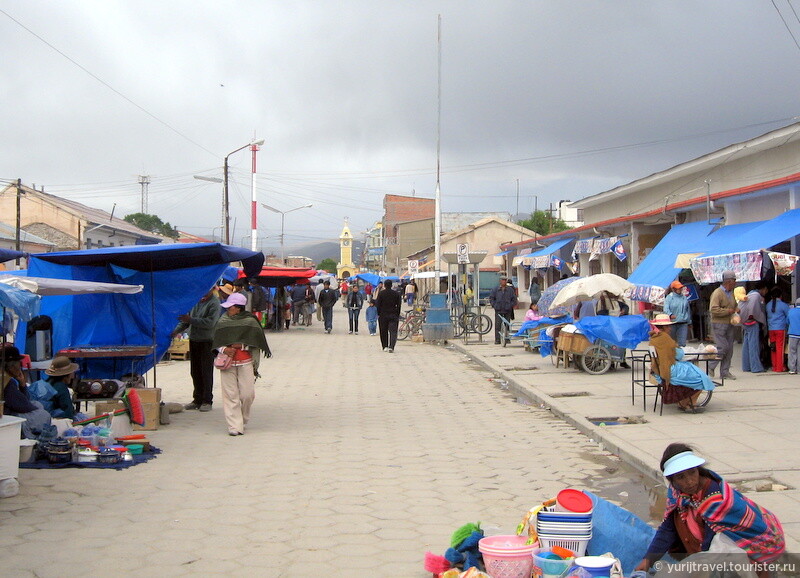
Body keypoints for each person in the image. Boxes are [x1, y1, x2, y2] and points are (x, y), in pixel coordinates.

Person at [636, 443, 784, 577]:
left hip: (754, 544)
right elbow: (668, 528)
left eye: (692, 472)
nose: (689, 481)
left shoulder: (714, 499)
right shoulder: (676, 492)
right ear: (672, 481)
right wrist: (648, 559)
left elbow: (710, 544)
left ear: (698, 471)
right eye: (681, 477)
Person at [212, 292, 271, 436]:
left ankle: (242, 419)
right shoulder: (222, 321)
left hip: (245, 362)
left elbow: (257, 342)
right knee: (230, 395)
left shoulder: (250, 322)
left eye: (230, 307)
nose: (227, 310)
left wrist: (241, 346)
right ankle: (234, 426)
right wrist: (224, 349)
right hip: (227, 363)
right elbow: (215, 340)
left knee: (247, 395)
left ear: (238, 308)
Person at [648, 314, 714, 412]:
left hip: (659, 370)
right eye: (668, 326)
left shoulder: (653, 338)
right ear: (664, 327)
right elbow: (678, 355)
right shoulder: (665, 338)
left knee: (691, 369)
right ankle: (689, 403)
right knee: (701, 378)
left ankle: (684, 402)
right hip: (669, 370)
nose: (670, 328)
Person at [171, 288, 221, 412]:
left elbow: (210, 323)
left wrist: (191, 320)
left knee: (206, 371)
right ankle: (197, 399)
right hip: (194, 340)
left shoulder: (214, 303)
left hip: (207, 341)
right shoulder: (196, 301)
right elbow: (185, 321)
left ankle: (207, 400)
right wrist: (176, 331)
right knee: (195, 371)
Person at [2, 346, 51, 439]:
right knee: (44, 414)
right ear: (11, 367)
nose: (20, 367)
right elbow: (24, 406)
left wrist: (22, 384)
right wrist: (23, 386)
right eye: (19, 364)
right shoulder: (8, 383)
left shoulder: (7, 380)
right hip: (8, 418)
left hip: (10, 412)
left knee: (38, 404)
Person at [708, 271, 738, 380]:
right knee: (722, 347)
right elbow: (713, 309)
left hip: (729, 323)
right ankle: (711, 366)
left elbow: (734, 306)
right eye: (734, 281)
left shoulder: (732, 293)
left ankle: (725, 372)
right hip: (719, 323)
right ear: (728, 281)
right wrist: (728, 311)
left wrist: (736, 309)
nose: (735, 283)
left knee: (729, 349)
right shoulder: (718, 293)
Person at [739, 281, 768, 374]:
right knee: (753, 345)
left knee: (746, 344)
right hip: (752, 321)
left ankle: (746, 366)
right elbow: (754, 309)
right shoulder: (756, 296)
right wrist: (760, 320)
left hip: (744, 321)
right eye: (766, 289)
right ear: (763, 289)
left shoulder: (750, 294)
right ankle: (756, 367)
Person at [766, 287, 789, 373]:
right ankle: (780, 367)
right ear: (781, 296)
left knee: (773, 348)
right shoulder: (784, 305)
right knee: (780, 348)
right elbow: (788, 317)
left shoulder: (768, 305)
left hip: (771, 329)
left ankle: (774, 366)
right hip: (780, 329)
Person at [375, 279, 402, 352]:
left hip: (383, 315)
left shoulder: (381, 293)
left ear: (384, 285)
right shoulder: (396, 294)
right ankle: (391, 347)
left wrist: (378, 313)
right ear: (391, 285)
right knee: (393, 331)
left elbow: (378, 304)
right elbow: (399, 305)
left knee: (383, 331)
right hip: (393, 314)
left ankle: (385, 346)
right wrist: (397, 314)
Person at [489, 277, 517, 345]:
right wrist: (494, 305)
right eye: (502, 280)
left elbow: (514, 299)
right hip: (498, 309)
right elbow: (492, 298)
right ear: (500, 281)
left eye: (505, 280)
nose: (504, 282)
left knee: (507, 324)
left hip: (507, 309)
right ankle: (497, 339)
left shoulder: (510, 290)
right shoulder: (495, 289)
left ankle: (507, 339)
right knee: (498, 324)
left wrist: (510, 305)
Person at [663, 280, 691, 347]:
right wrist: (670, 315)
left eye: (680, 287)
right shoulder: (669, 297)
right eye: (678, 288)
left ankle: (681, 355)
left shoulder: (684, 298)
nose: (680, 289)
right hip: (672, 323)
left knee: (682, 343)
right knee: (672, 342)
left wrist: (689, 322)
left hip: (683, 323)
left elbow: (688, 310)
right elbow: (666, 309)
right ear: (673, 289)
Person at [788, 298, 800, 374]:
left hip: (793, 334)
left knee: (792, 351)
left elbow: (787, 321)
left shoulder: (791, 311)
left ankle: (792, 369)